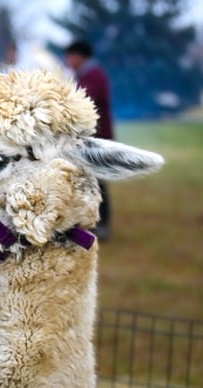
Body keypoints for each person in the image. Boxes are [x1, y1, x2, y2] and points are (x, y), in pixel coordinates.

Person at [65, 40, 113, 240]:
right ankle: (89, 222)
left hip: (97, 137)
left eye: (70, 56)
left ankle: (102, 225)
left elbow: (84, 100)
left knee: (97, 183)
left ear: (79, 57)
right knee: (88, 182)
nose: (68, 61)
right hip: (90, 137)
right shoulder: (86, 75)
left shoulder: (94, 76)